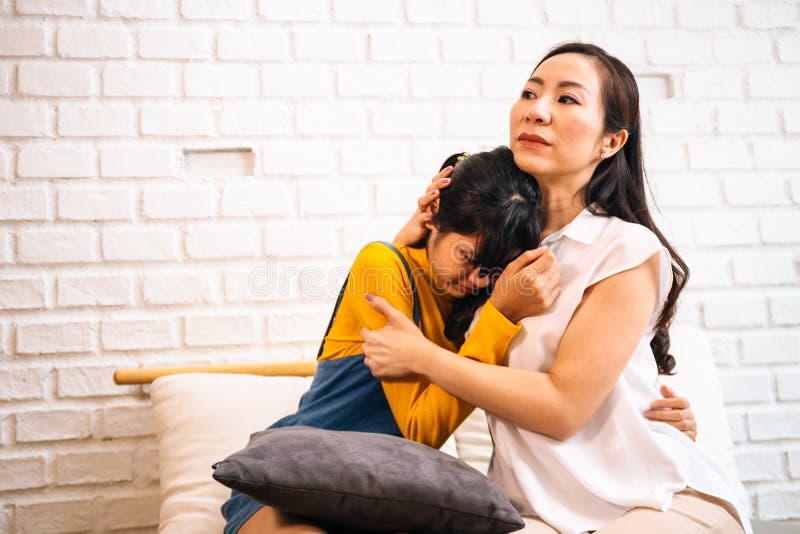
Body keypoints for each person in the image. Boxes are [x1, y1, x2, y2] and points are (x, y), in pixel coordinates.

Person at [362, 43, 749, 534]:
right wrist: (410, 237)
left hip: (651, 500)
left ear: (610, 142)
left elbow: (564, 408)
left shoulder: (624, 248)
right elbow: (394, 314)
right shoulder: (488, 251)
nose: (537, 110)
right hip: (531, 514)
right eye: (529, 92)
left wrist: (424, 357)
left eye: (567, 99)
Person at [222, 147, 701, 534]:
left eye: (491, 267)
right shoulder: (381, 264)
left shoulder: (470, 308)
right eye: (467, 255)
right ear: (434, 216)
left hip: (386, 497)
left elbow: (562, 376)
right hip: (297, 480)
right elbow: (419, 431)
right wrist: (497, 314)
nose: (476, 279)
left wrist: (648, 419)